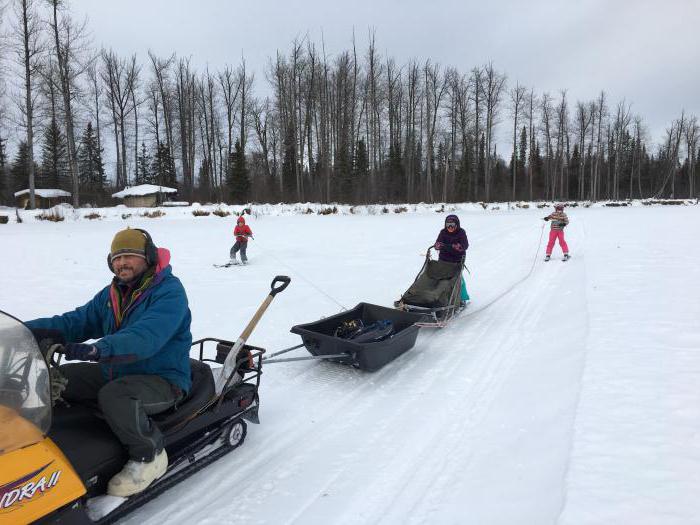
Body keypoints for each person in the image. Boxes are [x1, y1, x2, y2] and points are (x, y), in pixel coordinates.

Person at [26, 227, 192, 497]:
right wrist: (24, 331)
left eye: (130, 255)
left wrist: (98, 350)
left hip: (163, 379)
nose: (122, 263)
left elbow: (145, 336)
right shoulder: (113, 293)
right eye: (117, 257)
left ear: (148, 257)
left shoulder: (169, 292)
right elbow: (76, 321)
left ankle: (149, 456)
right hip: (118, 370)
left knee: (115, 395)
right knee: (56, 378)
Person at [434, 214, 470, 306]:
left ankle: (462, 298)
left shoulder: (461, 232)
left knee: (457, 279)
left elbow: (465, 245)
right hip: (443, 260)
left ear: (457, 225)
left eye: (452, 225)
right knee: (441, 279)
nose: (450, 227)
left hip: (457, 261)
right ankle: (439, 298)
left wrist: (458, 247)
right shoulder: (443, 232)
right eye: (448, 225)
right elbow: (437, 244)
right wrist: (437, 245)